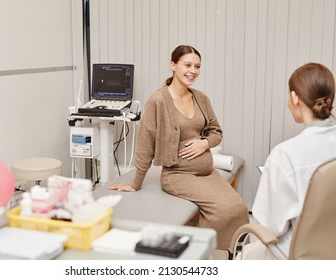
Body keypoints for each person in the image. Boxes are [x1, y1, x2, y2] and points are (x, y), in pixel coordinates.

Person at [107, 45, 249, 250]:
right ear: (173, 65)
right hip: (178, 175)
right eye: (188, 65)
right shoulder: (158, 100)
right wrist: (136, 182)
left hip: (207, 173)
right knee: (224, 210)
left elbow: (217, 132)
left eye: (197, 66)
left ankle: (233, 256)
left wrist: (204, 143)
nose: (193, 71)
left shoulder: (201, 98)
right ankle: (202, 255)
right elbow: (145, 144)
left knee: (239, 208)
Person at [241, 62, 336, 259]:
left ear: (294, 97)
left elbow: (271, 226)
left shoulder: (285, 154)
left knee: (246, 253)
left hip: (297, 257)